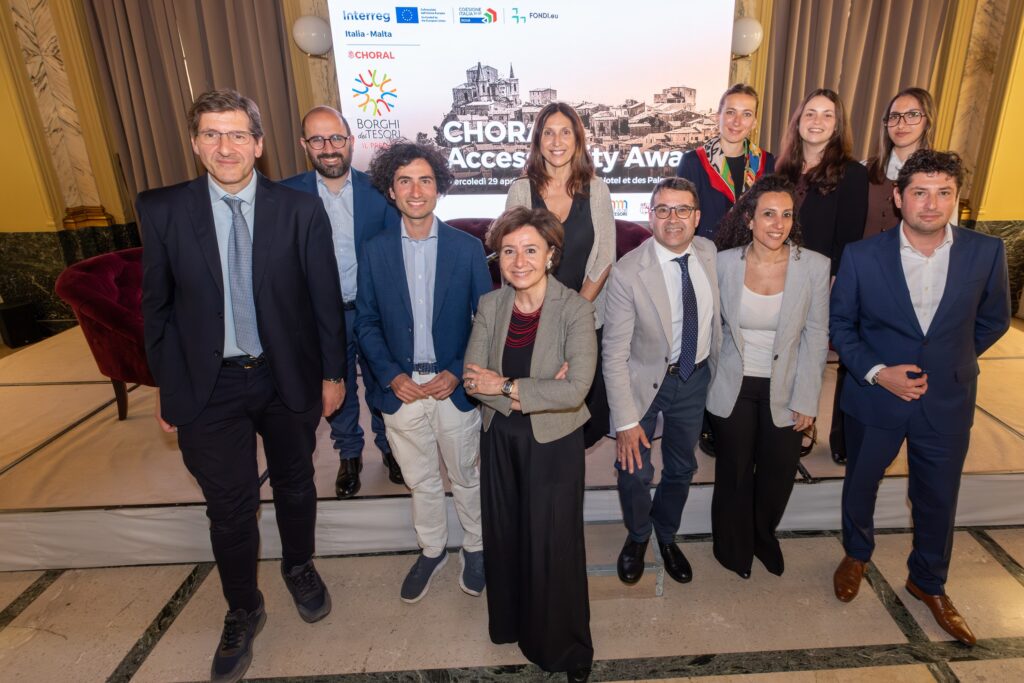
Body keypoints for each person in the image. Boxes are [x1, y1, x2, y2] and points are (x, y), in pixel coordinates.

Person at [139, 89, 344, 683]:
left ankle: (298, 566)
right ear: (195, 143)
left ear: (259, 144)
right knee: (228, 507)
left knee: (296, 483)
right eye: (211, 134)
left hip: (286, 378)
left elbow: (325, 300)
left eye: (236, 135)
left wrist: (333, 374)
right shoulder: (163, 210)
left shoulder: (300, 210)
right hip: (208, 386)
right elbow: (157, 308)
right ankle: (242, 608)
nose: (224, 147)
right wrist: (168, 386)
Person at [830, 150, 1010, 646]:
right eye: (920, 192)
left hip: (947, 399)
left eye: (943, 192)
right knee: (861, 483)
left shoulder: (986, 252)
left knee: (938, 496)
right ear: (898, 197)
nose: (931, 204)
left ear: (957, 197)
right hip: (876, 398)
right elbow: (841, 325)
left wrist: (951, 362)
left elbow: (994, 319)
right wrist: (877, 373)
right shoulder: (862, 255)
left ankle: (928, 581)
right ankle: (856, 554)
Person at [463, 207, 597, 683]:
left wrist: (504, 385)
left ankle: (567, 647)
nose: (519, 261)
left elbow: (576, 390)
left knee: (553, 542)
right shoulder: (490, 305)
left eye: (530, 250)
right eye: (508, 251)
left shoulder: (575, 309)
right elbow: (471, 380)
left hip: (553, 442)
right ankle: (513, 624)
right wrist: (532, 391)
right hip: (500, 437)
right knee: (506, 535)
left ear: (551, 255)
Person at [357, 140, 492, 603]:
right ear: (390, 190)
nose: (416, 191)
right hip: (402, 390)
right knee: (421, 479)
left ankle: (475, 547)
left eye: (425, 180)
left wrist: (457, 371)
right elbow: (366, 321)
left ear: (439, 187)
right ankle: (432, 549)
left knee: (466, 475)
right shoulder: (374, 250)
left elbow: (485, 321)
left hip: (452, 386)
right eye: (405, 181)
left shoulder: (468, 248)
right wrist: (391, 375)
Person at [707, 175, 830, 578]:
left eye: (787, 215)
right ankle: (732, 545)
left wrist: (807, 398)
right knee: (735, 471)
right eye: (769, 214)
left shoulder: (814, 266)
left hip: (787, 385)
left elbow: (816, 336)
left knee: (778, 473)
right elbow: (711, 328)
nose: (778, 224)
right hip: (734, 383)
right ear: (749, 218)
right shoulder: (723, 264)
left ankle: (763, 536)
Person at [603, 177, 721, 586]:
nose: (673, 219)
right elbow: (614, 353)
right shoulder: (627, 272)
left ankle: (666, 534)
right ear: (650, 216)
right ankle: (638, 535)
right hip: (643, 382)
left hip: (694, 377)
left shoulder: (709, 253)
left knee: (682, 465)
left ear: (697, 217)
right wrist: (625, 422)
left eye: (682, 209)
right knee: (633, 469)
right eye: (663, 210)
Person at [281, 105, 403, 498]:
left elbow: (395, 256)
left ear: (350, 141)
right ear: (304, 145)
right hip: (318, 317)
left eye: (336, 137)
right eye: (317, 140)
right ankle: (349, 454)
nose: (328, 147)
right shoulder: (285, 195)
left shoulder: (380, 191)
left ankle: (390, 448)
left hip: (371, 312)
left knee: (383, 384)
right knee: (337, 387)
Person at [506, 102, 614, 448]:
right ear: (538, 141)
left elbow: (604, 258)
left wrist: (572, 317)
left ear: (578, 139)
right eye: (548, 133)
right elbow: (513, 257)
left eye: (565, 132)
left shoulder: (597, 190)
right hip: (532, 320)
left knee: (578, 416)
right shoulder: (521, 190)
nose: (557, 141)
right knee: (535, 413)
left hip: (584, 316)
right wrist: (547, 318)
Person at [676, 83, 775, 457]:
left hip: (753, 265)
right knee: (709, 345)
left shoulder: (766, 163)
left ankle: (736, 414)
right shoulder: (695, 161)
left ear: (755, 121)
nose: (737, 121)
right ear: (718, 116)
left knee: (741, 343)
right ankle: (707, 420)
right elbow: (684, 215)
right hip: (709, 264)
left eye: (746, 114)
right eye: (730, 112)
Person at [776, 88, 869, 465]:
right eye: (810, 113)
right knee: (779, 353)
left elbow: (849, 237)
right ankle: (776, 419)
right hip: (776, 276)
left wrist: (833, 284)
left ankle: (803, 423)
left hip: (819, 281)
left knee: (808, 357)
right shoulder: (781, 169)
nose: (817, 121)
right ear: (798, 121)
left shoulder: (852, 173)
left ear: (838, 124)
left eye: (827, 115)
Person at [863, 88, 936, 238]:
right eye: (894, 116)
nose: (901, 125)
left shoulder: (941, 176)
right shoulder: (863, 169)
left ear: (927, 121)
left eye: (912, 115)